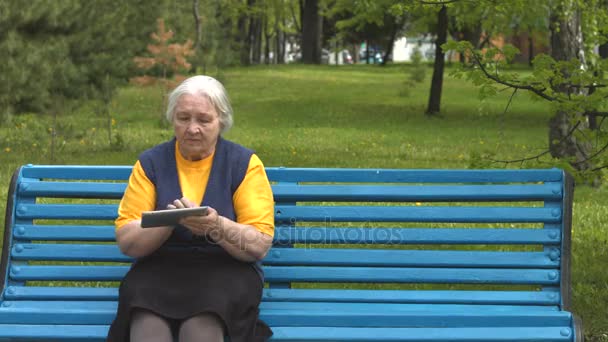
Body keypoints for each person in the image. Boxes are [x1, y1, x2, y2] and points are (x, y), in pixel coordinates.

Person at [107, 75, 275, 342]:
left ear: (221, 121)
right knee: (148, 327)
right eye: (183, 118)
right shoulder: (150, 163)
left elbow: (259, 243)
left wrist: (216, 226)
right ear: (173, 119)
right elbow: (127, 241)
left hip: (226, 269)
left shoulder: (244, 164)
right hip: (159, 269)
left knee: (199, 328)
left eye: (204, 120)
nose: (192, 128)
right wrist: (170, 219)